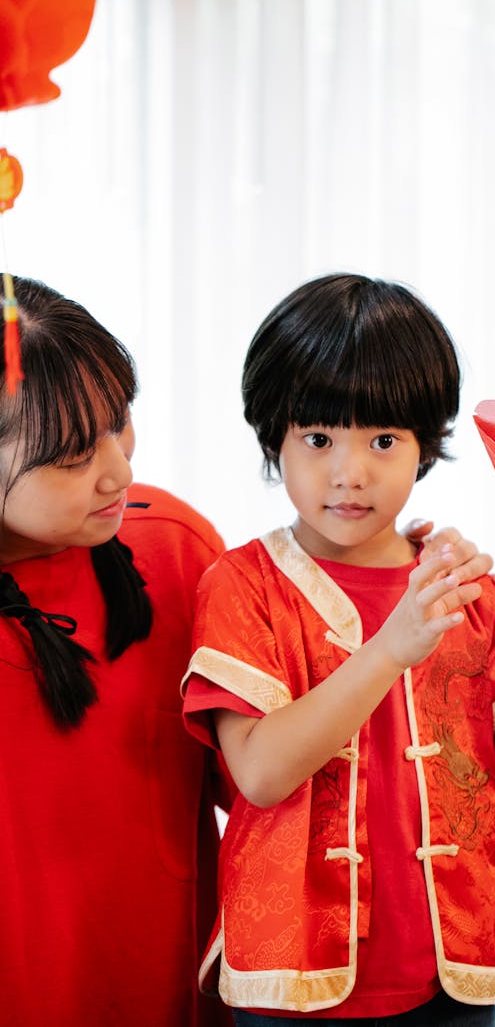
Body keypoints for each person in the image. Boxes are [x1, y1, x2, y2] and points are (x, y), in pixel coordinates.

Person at [182, 273, 495, 1026]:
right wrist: (391, 647)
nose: (349, 473)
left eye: (384, 440)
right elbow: (259, 774)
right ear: (275, 440)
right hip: (293, 983)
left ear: (426, 447)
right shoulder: (244, 584)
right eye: (318, 438)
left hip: (448, 980)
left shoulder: (462, 585)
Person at [0, 275, 233, 1026]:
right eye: (72, 457)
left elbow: (269, 790)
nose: (119, 470)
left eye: (120, 421)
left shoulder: (175, 549)